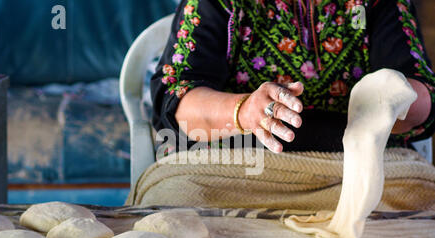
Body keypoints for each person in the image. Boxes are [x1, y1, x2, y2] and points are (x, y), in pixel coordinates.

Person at [151, 0, 435, 154]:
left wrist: (396, 102)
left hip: (363, 163)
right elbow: (176, 101)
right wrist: (245, 111)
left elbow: (425, 98)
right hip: (235, 165)